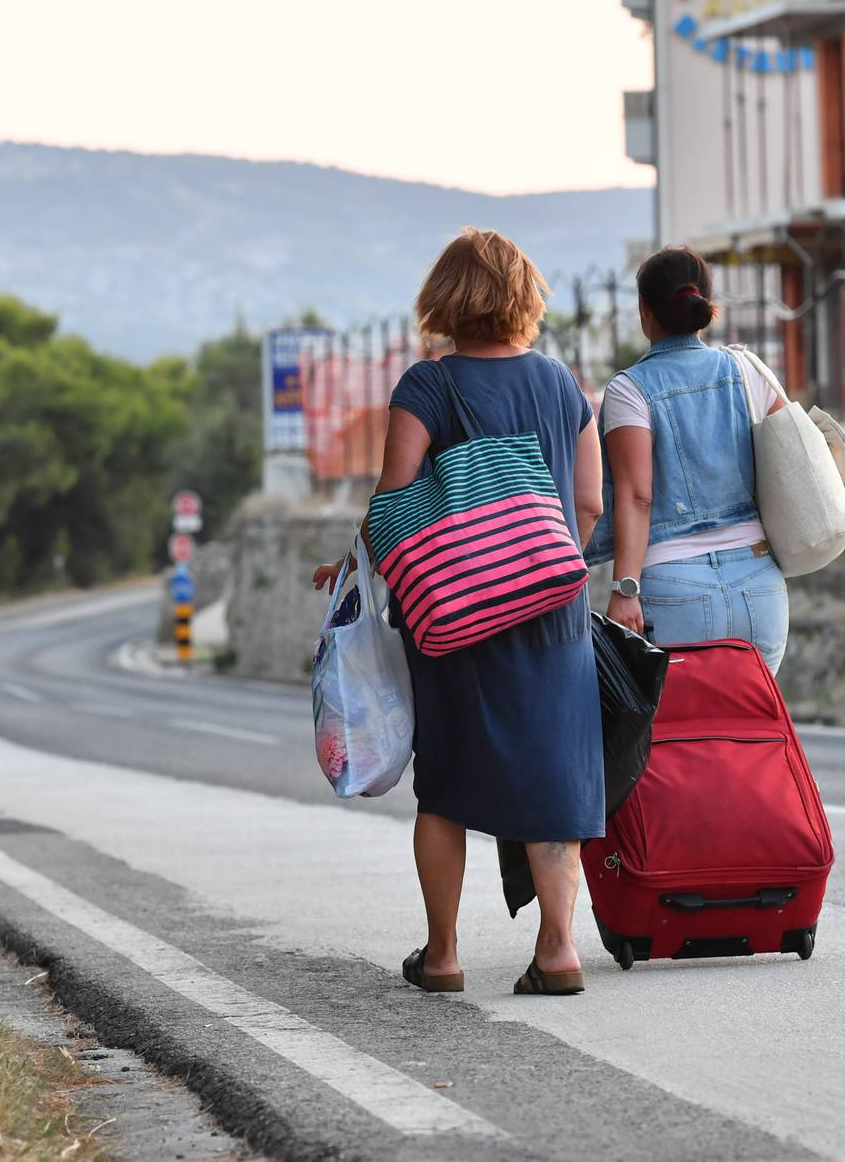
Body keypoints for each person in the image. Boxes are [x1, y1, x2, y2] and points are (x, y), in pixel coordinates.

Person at [313, 228, 605, 997]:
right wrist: (541, 563)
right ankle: (559, 948)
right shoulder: (561, 384)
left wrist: (357, 563)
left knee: (444, 785)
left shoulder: (428, 386)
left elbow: (395, 501)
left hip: (457, 617)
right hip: (554, 613)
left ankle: (442, 956)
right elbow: (590, 503)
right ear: (522, 295)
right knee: (552, 784)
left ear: (446, 297)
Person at [586, 246, 790, 673]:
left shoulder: (629, 389)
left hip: (674, 588)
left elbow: (637, 496)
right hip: (760, 583)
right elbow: (790, 457)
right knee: (752, 732)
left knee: (683, 735)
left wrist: (625, 589)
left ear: (645, 312)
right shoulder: (747, 369)